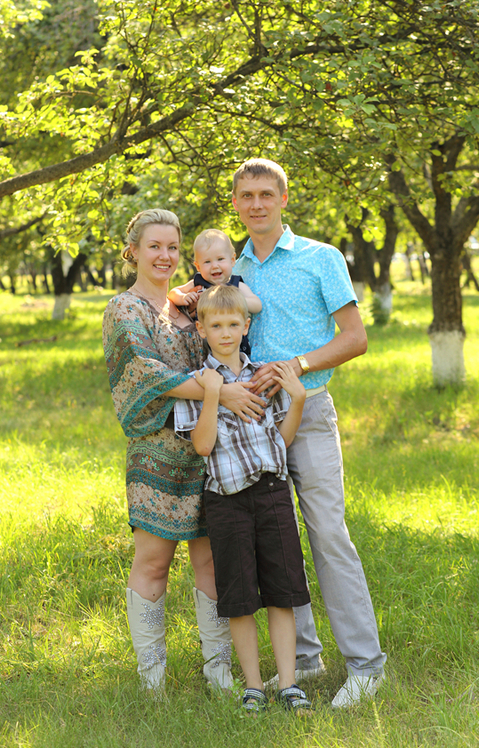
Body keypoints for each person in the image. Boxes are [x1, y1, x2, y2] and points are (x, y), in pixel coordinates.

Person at [231, 159, 387, 709]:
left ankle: (366, 666)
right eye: (246, 195)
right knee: (274, 538)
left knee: (327, 533)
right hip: (252, 422)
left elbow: (355, 338)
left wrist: (295, 365)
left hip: (311, 411)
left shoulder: (321, 257)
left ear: (283, 198)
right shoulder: (232, 269)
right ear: (235, 203)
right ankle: (303, 657)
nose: (256, 204)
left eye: (265, 194)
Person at [102, 209, 265, 693]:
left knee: (212, 562)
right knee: (153, 562)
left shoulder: (193, 306)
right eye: (154, 246)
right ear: (133, 251)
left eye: (172, 247)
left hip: (210, 454)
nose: (164, 255)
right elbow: (143, 372)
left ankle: (219, 671)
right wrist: (220, 391)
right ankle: (152, 679)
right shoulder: (124, 309)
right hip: (156, 456)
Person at [173, 285, 313, 715]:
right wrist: (213, 394)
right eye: (216, 325)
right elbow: (202, 445)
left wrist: (298, 400)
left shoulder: (263, 377)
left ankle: (288, 684)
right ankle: (253, 686)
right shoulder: (197, 383)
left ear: (246, 326)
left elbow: (280, 442)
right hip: (227, 502)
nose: (225, 333)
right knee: (239, 596)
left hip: (272, 494)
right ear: (201, 330)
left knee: (282, 591)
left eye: (233, 324)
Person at [168, 229, 261, 357]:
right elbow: (173, 292)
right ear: (198, 266)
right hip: (202, 347)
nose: (214, 266)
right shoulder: (198, 283)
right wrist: (183, 297)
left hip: (233, 346)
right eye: (207, 262)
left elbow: (257, 304)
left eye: (220, 259)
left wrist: (237, 299)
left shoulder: (236, 285)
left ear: (232, 260)